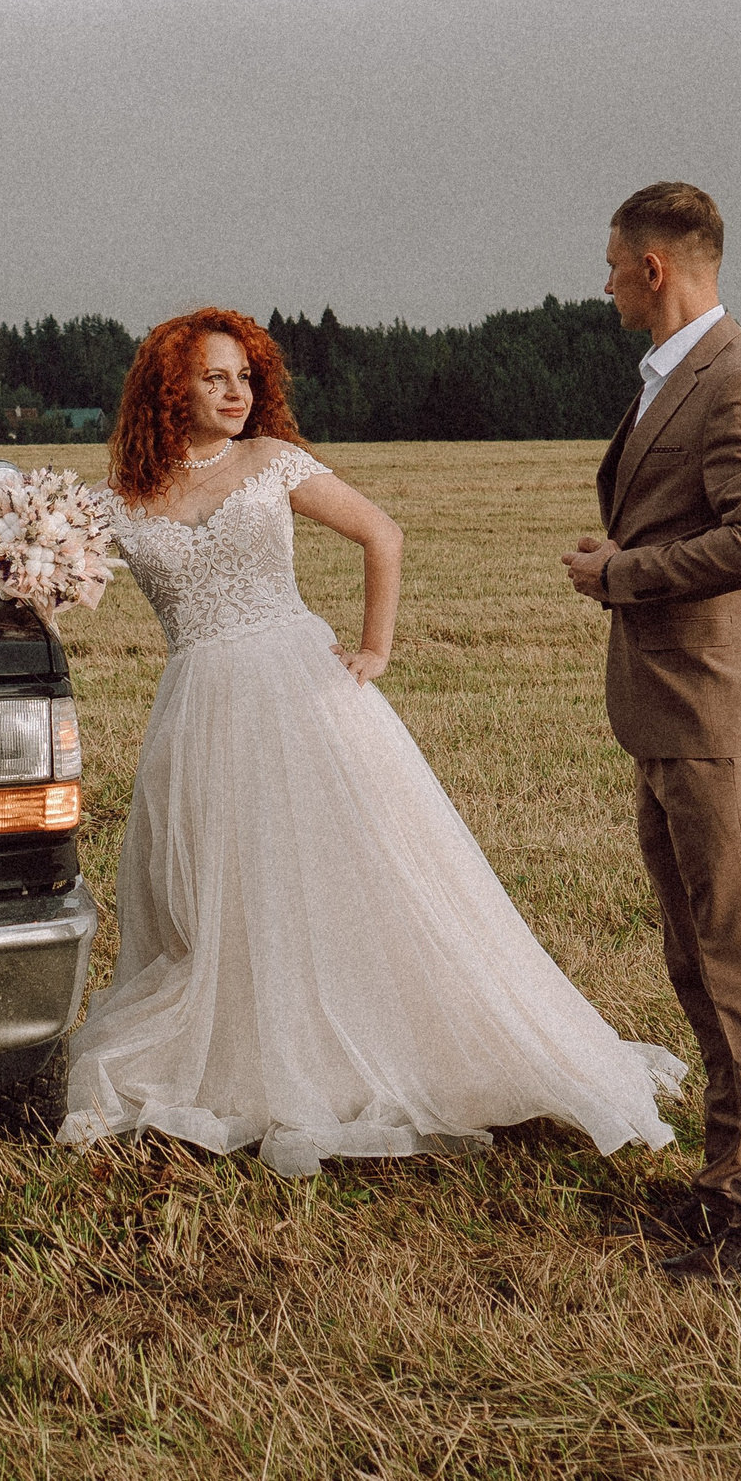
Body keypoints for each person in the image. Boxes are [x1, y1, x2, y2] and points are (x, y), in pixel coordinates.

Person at [57, 307, 684, 1177]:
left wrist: (375, 648)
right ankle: (251, 1040)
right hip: (199, 707)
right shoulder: (123, 501)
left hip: (300, 689)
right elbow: (44, 576)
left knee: (356, 869)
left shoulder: (270, 462)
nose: (237, 392)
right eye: (214, 377)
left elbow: (381, 533)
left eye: (245, 376)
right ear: (172, 387)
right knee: (226, 887)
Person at [563, 181, 741, 1283]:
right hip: (668, 713)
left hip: (716, 712)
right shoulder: (670, 377)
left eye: (612, 262)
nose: (605, 280)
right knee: (697, 964)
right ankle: (728, 1190)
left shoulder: (739, 382)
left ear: (653, 267)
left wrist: (619, 573)